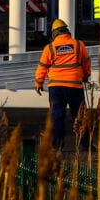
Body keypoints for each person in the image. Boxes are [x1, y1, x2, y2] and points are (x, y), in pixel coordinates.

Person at [35, 18, 92, 150]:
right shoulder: (79, 45)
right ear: (67, 31)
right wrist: (85, 76)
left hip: (56, 88)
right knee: (80, 115)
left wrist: (38, 83)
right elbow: (86, 63)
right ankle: (86, 144)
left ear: (54, 33)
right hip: (75, 86)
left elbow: (42, 67)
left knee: (57, 116)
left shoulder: (49, 48)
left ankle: (57, 145)